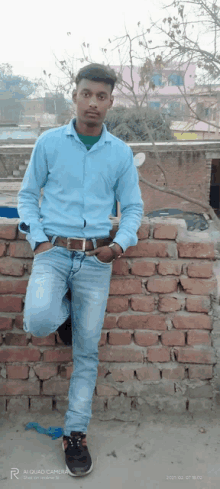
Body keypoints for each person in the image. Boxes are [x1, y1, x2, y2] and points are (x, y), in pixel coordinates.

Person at [17, 63, 144, 478]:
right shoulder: (49, 143)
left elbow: (134, 209)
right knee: (37, 319)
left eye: (101, 96)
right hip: (53, 253)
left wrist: (119, 245)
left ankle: (75, 433)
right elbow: (26, 196)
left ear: (110, 101)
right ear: (75, 95)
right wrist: (37, 240)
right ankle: (63, 313)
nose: (93, 102)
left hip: (96, 260)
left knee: (87, 351)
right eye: (86, 93)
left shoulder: (120, 153)